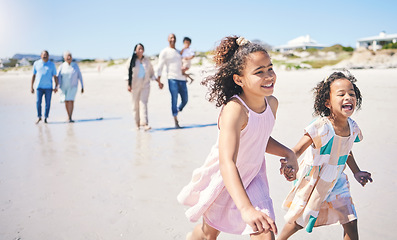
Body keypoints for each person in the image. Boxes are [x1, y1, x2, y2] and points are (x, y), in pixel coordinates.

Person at [177, 36, 297, 240]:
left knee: (265, 231)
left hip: (254, 176)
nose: (269, 76)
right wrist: (245, 208)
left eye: (270, 68)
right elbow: (227, 162)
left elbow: (259, 138)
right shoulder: (235, 110)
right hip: (226, 177)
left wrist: (288, 153)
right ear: (238, 79)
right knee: (208, 235)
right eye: (259, 72)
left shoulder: (272, 104)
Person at [278, 71, 373, 240]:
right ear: (327, 102)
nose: (348, 97)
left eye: (352, 94)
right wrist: (289, 162)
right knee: (300, 220)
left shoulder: (353, 127)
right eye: (341, 94)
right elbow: (298, 149)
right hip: (315, 180)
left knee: (350, 220)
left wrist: (356, 171)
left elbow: (346, 150)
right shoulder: (321, 127)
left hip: (337, 180)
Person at [127, 43, 163, 130]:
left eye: (142, 49)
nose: (141, 50)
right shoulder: (131, 61)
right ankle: (137, 123)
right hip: (135, 85)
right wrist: (128, 84)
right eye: (139, 49)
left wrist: (158, 81)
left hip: (145, 85)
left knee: (144, 103)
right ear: (135, 50)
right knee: (135, 105)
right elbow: (127, 74)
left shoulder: (147, 60)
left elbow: (151, 73)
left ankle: (145, 123)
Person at [156, 33, 188, 128]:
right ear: (167, 39)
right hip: (172, 78)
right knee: (174, 99)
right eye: (170, 38)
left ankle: (177, 110)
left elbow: (184, 62)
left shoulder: (179, 52)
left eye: (174, 38)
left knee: (185, 99)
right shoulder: (164, 52)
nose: (172, 39)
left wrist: (185, 69)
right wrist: (159, 79)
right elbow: (160, 66)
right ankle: (175, 119)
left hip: (182, 79)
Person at [31, 50, 58, 124]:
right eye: (43, 55)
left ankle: (46, 117)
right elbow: (33, 75)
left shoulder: (52, 65)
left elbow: (55, 76)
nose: (44, 56)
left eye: (46, 55)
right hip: (39, 87)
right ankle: (39, 117)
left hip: (48, 87)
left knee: (48, 103)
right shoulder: (36, 63)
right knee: (38, 102)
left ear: (48, 56)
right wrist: (31, 87)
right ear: (41, 56)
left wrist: (56, 86)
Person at [57, 51, 84, 123]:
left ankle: (70, 117)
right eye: (67, 56)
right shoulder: (61, 66)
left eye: (70, 56)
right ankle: (68, 115)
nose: (69, 57)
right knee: (66, 100)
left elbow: (80, 76)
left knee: (71, 100)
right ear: (64, 58)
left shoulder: (75, 66)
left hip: (73, 86)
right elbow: (58, 76)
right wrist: (56, 86)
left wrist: (82, 86)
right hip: (63, 87)